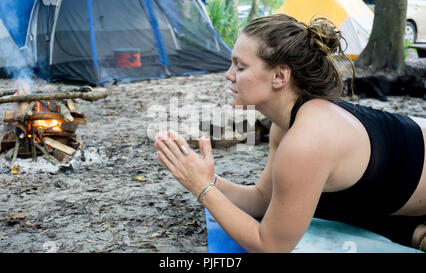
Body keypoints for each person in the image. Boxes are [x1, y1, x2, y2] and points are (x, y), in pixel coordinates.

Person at [153, 14, 426, 252]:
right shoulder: (287, 125)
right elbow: (263, 199)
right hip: (403, 182)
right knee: (301, 201)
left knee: (312, 203)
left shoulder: (306, 141)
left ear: (280, 77)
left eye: (241, 66)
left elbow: (271, 245)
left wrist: (203, 189)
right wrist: (206, 178)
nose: (229, 74)